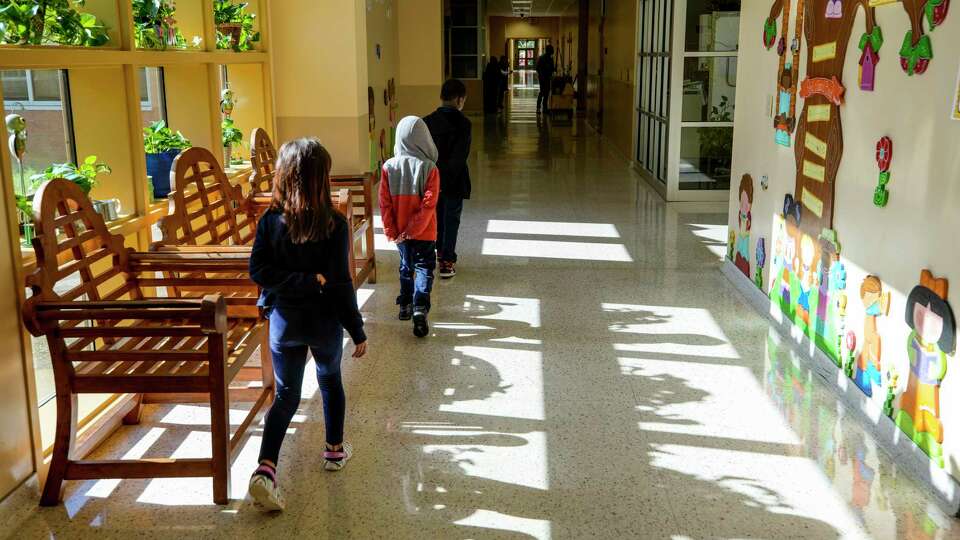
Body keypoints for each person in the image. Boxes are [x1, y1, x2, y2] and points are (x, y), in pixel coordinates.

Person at [247, 138, 368, 512]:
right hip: (324, 323)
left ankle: (265, 470)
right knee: (330, 381)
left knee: (285, 396)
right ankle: (334, 451)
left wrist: (293, 283)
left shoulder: (269, 222)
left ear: (283, 176)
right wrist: (356, 328)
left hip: (284, 322)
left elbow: (259, 271)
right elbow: (339, 283)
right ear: (321, 179)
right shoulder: (333, 223)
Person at [379, 115, 440, 337]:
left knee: (406, 266)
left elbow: (384, 203)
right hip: (425, 232)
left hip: (400, 233)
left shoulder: (388, 167)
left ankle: (404, 305)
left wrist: (392, 231)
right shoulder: (430, 168)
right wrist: (415, 229)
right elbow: (429, 204)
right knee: (424, 267)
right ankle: (420, 308)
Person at [424, 79, 472, 279]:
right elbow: (460, 156)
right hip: (454, 179)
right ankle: (447, 261)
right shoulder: (464, 124)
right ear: (460, 99)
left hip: (431, 178)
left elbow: (423, 153)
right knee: (451, 219)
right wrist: (447, 178)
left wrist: (435, 178)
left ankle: (436, 253)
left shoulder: (426, 121)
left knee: (434, 217)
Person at [536, 44, 556, 115]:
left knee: (546, 93)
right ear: (549, 50)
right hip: (542, 78)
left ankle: (545, 108)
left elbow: (552, 69)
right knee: (542, 92)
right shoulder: (542, 58)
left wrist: (554, 69)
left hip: (547, 78)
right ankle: (538, 108)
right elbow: (537, 68)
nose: (553, 51)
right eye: (551, 50)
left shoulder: (551, 59)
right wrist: (541, 76)